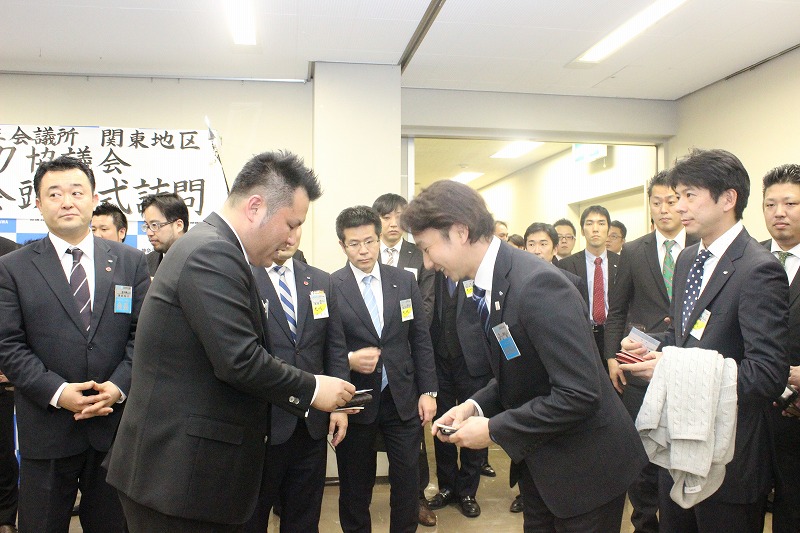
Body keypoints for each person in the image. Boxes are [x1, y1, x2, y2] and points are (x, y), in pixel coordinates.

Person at [106, 151, 355, 531]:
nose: (291, 238)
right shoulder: (213, 253)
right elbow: (239, 360)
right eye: (290, 224)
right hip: (179, 478)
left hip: (187, 473)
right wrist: (314, 388)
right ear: (255, 207)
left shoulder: (213, 246)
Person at [402, 180, 646, 532]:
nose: (427, 263)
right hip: (543, 466)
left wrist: (493, 429)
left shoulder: (537, 285)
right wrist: (475, 406)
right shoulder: (493, 283)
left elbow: (579, 393)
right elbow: (518, 368)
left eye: (428, 249)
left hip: (584, 472)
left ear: (459, 232)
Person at [620, 149, 789, 533]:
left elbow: (767, 375)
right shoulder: (688, 260)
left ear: (727, 199)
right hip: (680, 445)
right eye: (677, 195)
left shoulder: (758, 269)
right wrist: (651, 348)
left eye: (689, 195)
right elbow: (684, 336)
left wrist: (673, 369)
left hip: (728, 454)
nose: (679, 206)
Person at [0, 156, 150, 532]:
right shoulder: (13, 267)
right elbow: (8, 345)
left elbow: (144, 336)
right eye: (54, 194)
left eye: (76, 192)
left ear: (94, 199)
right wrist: (58, 392)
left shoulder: (131, 262)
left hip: (114, 429)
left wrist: (118, 387)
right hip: (46, 429)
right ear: (38, 204)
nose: (66, 201)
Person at [332, 206, 437, 533]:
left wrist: (428, 391)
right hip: (355, 400)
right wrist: (349, 359)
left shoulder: (403, 281)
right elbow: (326, 347)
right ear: (342, 245)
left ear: (378, 240)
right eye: (354, 244)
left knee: (407, 482)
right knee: (355, 484)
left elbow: (420, 338)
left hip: (401, 397)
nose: (363, 250)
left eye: (369, 241)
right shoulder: (331, 286)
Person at [603, 171, 697, 533]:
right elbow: (616, 310)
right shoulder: (633, 250)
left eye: (671, 201)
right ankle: (644, 522)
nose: (664, 209)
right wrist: (612, 357)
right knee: (641, 453)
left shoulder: (700, 244)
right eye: (656, 202)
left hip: (687, 363)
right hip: (639, 365)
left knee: (680, 448)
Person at [242, 226, 351, 533]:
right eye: (283, 227)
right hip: (263, 423)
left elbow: (335, 348)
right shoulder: (245, 277)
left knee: (304, 517)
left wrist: (340, 407)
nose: (289, 237)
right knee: (252, 517)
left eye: (296, 227)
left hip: (311, 423)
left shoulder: (320, 280)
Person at [371, 193, 437, 526]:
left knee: (413, 443)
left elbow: (425, 306)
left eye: (399, 216)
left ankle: (418, 499)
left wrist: (392, 329)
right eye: (386, 217)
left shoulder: (418, 254)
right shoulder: (366, 252)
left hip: (406, 358)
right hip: (371, 365)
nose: (393, 223)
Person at [425, 271, 492, 518]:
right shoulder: (430, 275)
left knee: (471, 423)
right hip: (438, 361)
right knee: (442, 424)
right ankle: (447, 486)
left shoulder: (475, 272)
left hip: (472, 363)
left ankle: (467, 491)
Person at [760, 163, 800, 533]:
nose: (779, 213)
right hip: (750, 408)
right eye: (770, 204)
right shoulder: (746, 259)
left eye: (790, 203)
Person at [557, 206, 620, 359]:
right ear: (582, 230)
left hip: (614, 335)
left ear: (608, 230)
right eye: (590, 223)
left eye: (601, 223)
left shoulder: (622, 262)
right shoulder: (566, 265)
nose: (595, 229)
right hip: (581, 336)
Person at [0, 237, 19, 533]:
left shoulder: (9, 253)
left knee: (3, 452)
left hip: (2, 376)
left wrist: (12, 368)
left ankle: (5, 519)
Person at [139, 192, 189, 276]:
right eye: (147, 226)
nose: (149, 233)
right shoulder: (146, 262)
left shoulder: (199, 261)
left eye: (154, 225)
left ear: (179, 225)